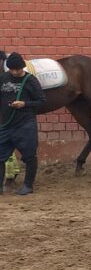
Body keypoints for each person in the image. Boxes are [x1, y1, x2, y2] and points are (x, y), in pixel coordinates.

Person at [1, 53, 45, 196]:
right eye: (11, 69)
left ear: (22, 67)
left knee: (30, 155)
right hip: (6, 125)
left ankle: (28, 185)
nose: (14, 72)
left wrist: (24, 104)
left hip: (25, 124)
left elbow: (42, 101)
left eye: (17, 69)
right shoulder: (3, 78)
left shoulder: (30, 81)